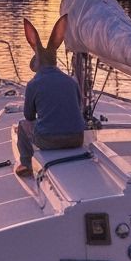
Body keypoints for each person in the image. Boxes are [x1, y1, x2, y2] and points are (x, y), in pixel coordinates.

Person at [16, 15, 86, 177]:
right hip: (77, 138)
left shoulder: (34, 84)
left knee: (22, 125)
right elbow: (77, 107)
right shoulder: (71, 82)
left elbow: (29, 116)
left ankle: (25, 164)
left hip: (49, 141)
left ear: (38, 61)